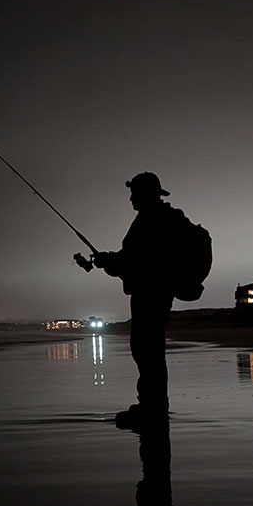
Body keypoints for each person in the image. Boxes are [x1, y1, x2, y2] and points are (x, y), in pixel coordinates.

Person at [92, 172, 192, 428]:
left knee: (146, 351)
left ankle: (152, 408)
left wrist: (107, 261)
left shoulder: (150, 221)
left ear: (145, 195)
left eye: (134, 193)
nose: (131, 199)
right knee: (150, 351)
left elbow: (133, 262)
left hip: (150, 294)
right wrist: (110, 261)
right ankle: (153, 405)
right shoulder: (165, 218)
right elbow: (134, 260)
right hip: (157, 293)